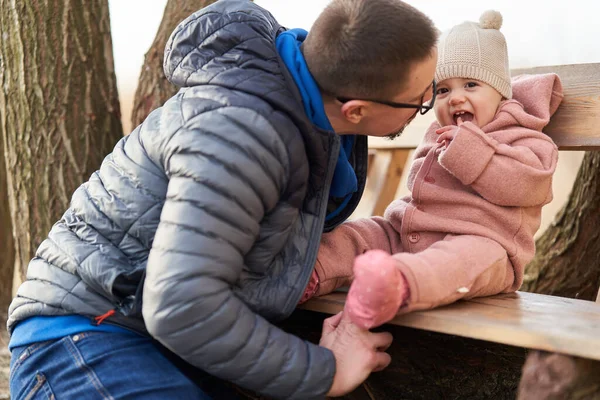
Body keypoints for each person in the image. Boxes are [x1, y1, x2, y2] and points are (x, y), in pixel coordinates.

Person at [7, 0, 438, 399]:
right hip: (82, 340)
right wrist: (327, 370)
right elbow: (182, 305)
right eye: (419, 100)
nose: (428, 102)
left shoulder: (302, 113)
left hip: (151, 340)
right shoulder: (241, 134)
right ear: (356, 110)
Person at [305, 10, 563, 329]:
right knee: (359, 234)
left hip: (484, 246)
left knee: (460, 261)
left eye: (471, 84)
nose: (455, 98)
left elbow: (530, 184)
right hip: (410, 233)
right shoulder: (438, 132)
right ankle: (308, 270)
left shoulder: (523, 137)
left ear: (500, 92)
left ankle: (394, 286)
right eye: (442, 90)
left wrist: (468, 149)